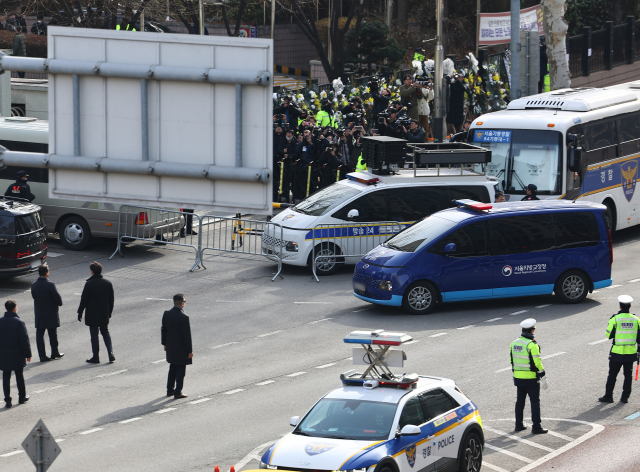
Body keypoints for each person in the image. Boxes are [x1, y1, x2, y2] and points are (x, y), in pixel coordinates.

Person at [599, 295, 640, 403]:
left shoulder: (615, 319)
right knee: (628, 376)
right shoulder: (636, 320)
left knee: (612, 375)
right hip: (630, 353)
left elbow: (608, 335)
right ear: (630, 306)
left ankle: (608, 396)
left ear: (620, 306)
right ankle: (624, 397)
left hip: (617, 352)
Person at [510, 318, 548, 434]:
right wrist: (543, 376)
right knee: (535, 402)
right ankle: (536, 427)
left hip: (518, 378)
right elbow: (537, 363)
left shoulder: (514, 343)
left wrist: (514, 374)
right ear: (532, 331)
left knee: (520, 401)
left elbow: (512, 360)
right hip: (531, 378)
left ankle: (518, 425)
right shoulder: (532, 345)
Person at [77, 262, 115, 364]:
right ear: (101, 271)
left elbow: (84, 300)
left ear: (92, 272)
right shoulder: (108, 283)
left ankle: (96, 357)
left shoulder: (89, 284)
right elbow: (111, 300)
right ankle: (110, 352)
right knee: (105, 332)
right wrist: (109, 313)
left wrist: (80, 312)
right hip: (104, 313)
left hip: (92, 313)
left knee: (94, 335)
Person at [0, 300, 32, 408]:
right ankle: (22, 397)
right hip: (17, 353)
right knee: (19, 376)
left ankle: (7, 400)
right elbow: (24, 340)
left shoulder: (1, 321)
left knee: (6, 376)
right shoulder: (19, 322)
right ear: (15, 308)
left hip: (3, 354)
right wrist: (28, 354)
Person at [161, 293, 193, 399]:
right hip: (181, 349)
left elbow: (164, 330)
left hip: (170, 346)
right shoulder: (184, 317)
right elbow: (186, 336)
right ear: (182, 303)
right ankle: (178, 391)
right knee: (180, 370)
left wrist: (164, 343)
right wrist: (190, 351)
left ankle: (170, 390)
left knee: (172, 368)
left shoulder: (167, 314)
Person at [31, 265, 64, 362]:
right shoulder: (50, 285)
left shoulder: (34, 285)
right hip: (50, 313)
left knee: (39, 334)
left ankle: (42, 355)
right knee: (52, 333)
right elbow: (58, 299)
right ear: (46, 273)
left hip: (40, 313)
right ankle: (54, 352)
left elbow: (34, 296)